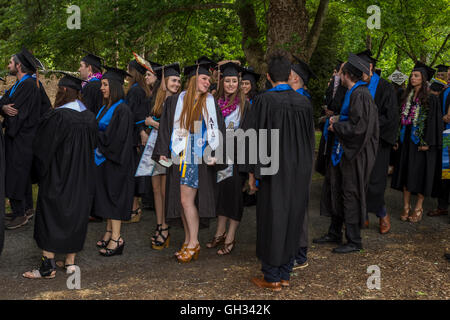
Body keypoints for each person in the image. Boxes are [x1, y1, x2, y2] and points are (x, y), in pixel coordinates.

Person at [248, 53, 315, 291]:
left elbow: (253, 139)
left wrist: (252, 173)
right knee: (293, 217)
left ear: (268, 76)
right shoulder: (304, 103)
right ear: (289, 75)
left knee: (271, 218)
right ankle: (286, 273)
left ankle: (271, 276)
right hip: (299, 170)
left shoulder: (264, 101)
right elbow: (309, 142)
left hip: (272, 170)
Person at [22, 73, 97, 279]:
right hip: (83, 177)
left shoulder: (58, 117)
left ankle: (48, 267)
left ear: (63, 91)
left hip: (58, 176)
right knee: (76, 215)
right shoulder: (90, 117)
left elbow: (42, 149)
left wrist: (37, 173)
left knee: (51, 215)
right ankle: (71, 263)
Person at [152, 60, 225, 263]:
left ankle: (194, 242)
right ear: (193, 80)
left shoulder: (209, 102)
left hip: (197, 157)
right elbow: (166, 126)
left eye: (209, 79)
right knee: (182, 201)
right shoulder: (176, 101)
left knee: (186, 200)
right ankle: (188, 240)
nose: (208, 83)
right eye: (204, 79)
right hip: (179, 154)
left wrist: (215, 152)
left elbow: (217, 130)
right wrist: (162, 151)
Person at [313, 54, 379, 254]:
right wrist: (336, 119)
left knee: (350, 193)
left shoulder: (361, 94)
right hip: (342, 152)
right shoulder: (353, 92)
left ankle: (354, 240)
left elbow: (359, 128)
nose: (339, 75)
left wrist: (337, 127)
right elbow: (352, 117)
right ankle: (334, 232)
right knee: (337, 189)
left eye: (341, 72)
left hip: (354, 154)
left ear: (347, 75)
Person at [206, 62, 252, 255]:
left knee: (233, 199)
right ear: (222, 81)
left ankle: (231, 236)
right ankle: (219, 232)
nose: (231, 84)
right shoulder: (215, 102)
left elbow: (248, 134)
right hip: (217, 158)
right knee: (220, 196)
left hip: (235, 159)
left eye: (235, 81)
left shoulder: (244, 105)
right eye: (228, 81)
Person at [391, 61, 441, 223]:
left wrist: (428, 143)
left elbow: (434, 123)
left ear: (423, 78)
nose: (412, 78)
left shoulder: (431, 99)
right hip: (406, 142)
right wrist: (397, 138)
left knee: (420, 175)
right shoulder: (407, 97)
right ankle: (406, 206)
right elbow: (401, 120)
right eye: (412, 75)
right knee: (406, 173)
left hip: (421, 144)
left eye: (416, 75)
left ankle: (418, 206)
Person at [356, 49, 399, 234]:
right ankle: (363, 214)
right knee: (360, 180)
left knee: (375, 182)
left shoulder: (385, 87)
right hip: (358, 142)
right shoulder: (356, 87)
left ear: (370, 67)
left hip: (378, 142)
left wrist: (370, 126)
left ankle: (382, 214)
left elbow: (391, 117)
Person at [140, 63, 182, 250]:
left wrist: (155, 125)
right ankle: (159, 224)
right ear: (165, 81)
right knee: (156, 189)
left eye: (179, 81)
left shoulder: (180, 102)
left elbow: (178, 129)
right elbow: (150, 120)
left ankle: (165, 228)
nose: (177, 84)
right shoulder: (157, 100)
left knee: (165, 191)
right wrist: (145, 129)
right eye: (174, 80)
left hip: (170, 150)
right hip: (154, 148)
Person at [94, 66, 135, 257]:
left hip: (117, 162)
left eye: (105, 84)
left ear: (115, 87)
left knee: (115, 199)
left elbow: (116, 139)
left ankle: (117, 239)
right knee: (108, 198)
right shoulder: (106, 107)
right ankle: (109, 232)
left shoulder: (123, 110)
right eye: (102, 84)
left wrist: (95, 136)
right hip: (105, 160)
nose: (101, 88)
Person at [1, 48, 42, 230]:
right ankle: (26, 208)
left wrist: (4, 109)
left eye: (11, 62)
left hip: (22, 136)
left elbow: (15, 110)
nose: (8, 65)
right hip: (20, 136)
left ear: (19, 65)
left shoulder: (28, 85)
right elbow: (5, 101)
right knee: (22, 174)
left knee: (17, 173)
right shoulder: (19, 83)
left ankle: (19, 213)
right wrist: (2, 107)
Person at [123, 57, 153, 224]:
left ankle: (134, 209)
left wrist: (139, 132)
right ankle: (134, 207)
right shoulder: (143, 89)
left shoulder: (135, 91)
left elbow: (135, 115)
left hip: (135, 137)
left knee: (134, 172)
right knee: (137, 172)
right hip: (139, 134)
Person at [428, 78, 450, 217]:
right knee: (446, 172)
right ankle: (442, 206)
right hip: (447, 136)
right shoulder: (446, 90)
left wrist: (441, 117)